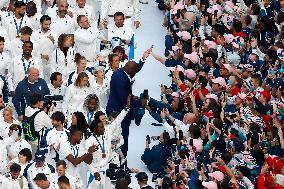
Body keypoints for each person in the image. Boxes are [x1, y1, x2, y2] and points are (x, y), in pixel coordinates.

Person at [106, 47, 151, 156]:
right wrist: (143, 102)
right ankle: (120, 158)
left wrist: (132, 96)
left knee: (122, 135)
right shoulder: (120, 78)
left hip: (121, 109)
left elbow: (126, 95)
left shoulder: (123, 72)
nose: (135, 74)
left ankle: (121, 157)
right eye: (134, 72)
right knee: (119, 135)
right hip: (117, 112)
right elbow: (124, 99)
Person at [85, 106, 128, 188]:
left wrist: (126, 109)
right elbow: (87, 161)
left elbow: (117, 121)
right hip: (96, 171)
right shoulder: (89, 142)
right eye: (101, 127)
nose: (104, 129)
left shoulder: (107, 131)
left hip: (107, 169)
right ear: (95, 129)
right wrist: (94, 172)